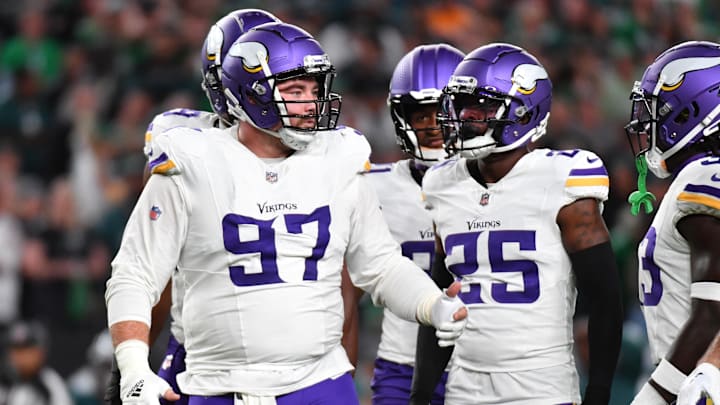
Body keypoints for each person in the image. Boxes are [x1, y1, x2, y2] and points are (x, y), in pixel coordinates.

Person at [105, 22, 468, 405]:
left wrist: (431, 303)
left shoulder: (338, 157)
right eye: (296, 91)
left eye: (315, 90)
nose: (311, 104)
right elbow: (134, 273)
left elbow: (380, 266)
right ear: (251, 93)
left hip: (321, 382)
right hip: (219, 385)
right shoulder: (192, 161)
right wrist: (131, 365)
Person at [410, 43, 624, 404]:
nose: (467, 117)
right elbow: (441, 301)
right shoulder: (442, 184)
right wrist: (419, 395)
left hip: (540, 388)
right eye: (463, 106)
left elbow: (605, 298)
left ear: (525, 113)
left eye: (483, 107)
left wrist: (599, 391)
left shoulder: (562, 177)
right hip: (465, 387)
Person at [103, 9, 284, 405]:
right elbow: (154, 263)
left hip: (295, 355)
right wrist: (130, 364)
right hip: (203, 353)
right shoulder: (183, 141)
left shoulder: (326, 151)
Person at [363, 43, 464, 405]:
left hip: (479, 366)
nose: (432, 125)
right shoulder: (372, 185)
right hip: (403, 363)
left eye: (441, 112)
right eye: (420, 114)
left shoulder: (501, 183)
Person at [623, 40, 720, 404]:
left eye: (656, 110)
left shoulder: (704, 175)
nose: (644, 123)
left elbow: (713, 310)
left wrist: (655, 395)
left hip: (696, 385)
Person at [0, 320, 73, 405]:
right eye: (17, 350)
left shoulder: (49, 381)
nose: (23, 356)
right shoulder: (3, 382)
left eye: (27, 348)